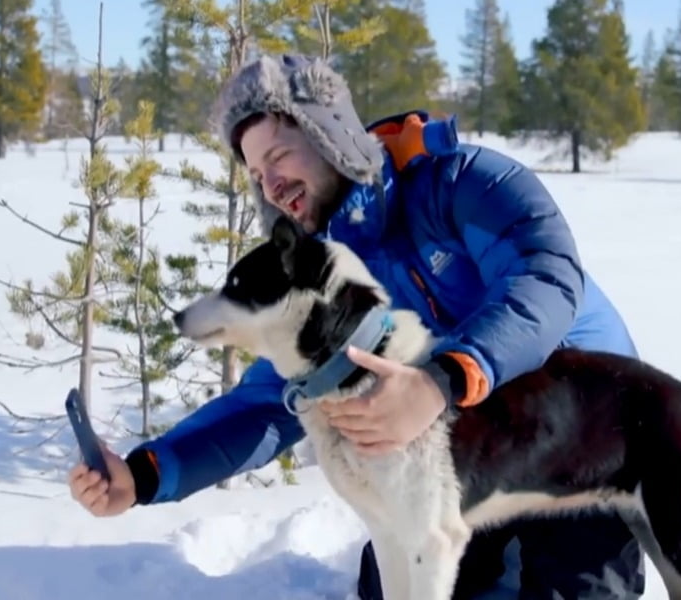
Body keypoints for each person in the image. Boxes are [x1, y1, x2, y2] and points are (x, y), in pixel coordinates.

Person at [67, 54, 646, 599]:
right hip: (471, 459)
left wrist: (440, 381)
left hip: (585, 433)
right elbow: (272, 401)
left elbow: (545, 280)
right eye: (255, 172)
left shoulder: (459, 183)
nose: (269, 184)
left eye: (279, 156)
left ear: (328, 134)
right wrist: (144, 475)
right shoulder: (324, 267)